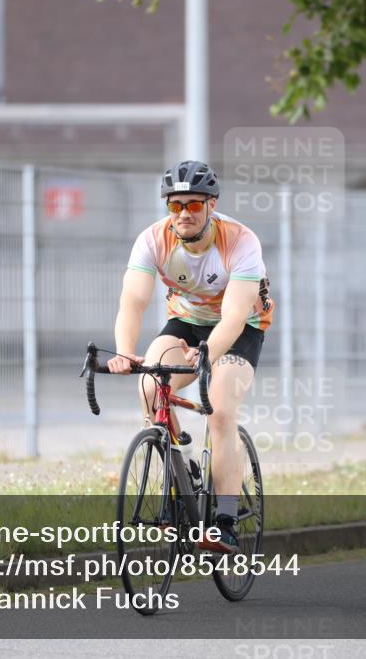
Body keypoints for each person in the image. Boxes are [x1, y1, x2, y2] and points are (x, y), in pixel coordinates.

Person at [108, 160, 273, 553]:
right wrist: (125, 352)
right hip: (186, 323)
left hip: (240, 329)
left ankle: (226, 521)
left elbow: (234, 315)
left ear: (211, 205)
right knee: (150, 386)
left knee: (218, 407)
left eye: (193, 205)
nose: (183, 214)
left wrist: (209, 352)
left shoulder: (240, 241)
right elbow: (133, 301)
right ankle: (185, 467)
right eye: (175, 205)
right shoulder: (152, 239)